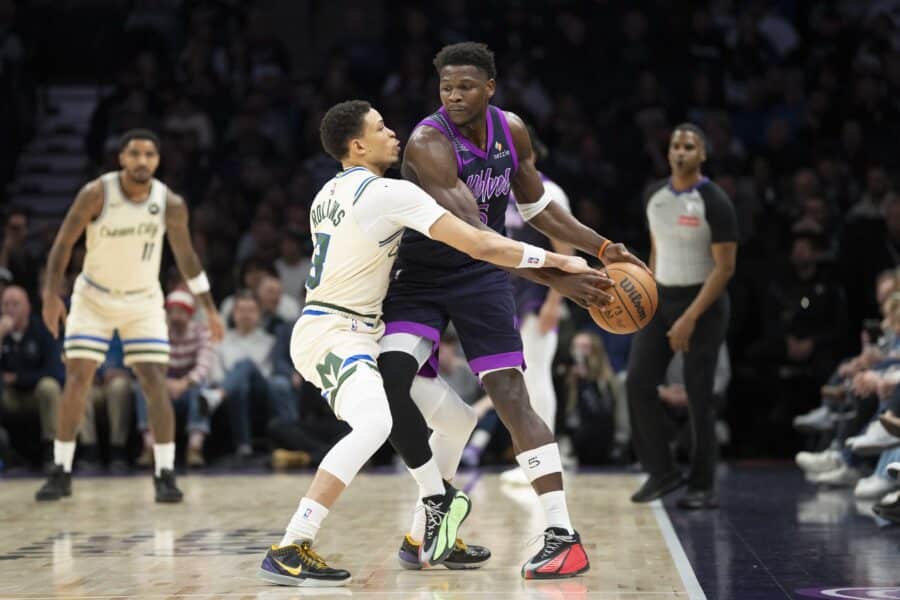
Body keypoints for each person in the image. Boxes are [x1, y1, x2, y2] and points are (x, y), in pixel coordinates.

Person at [257, 99, 590, 587]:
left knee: (459, 419)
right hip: (334, 332)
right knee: (375, 422)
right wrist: (559, 263)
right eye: (381, 128)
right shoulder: (387, 193)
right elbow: (479, 243)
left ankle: (422, 538)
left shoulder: (326, 193)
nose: (394, 134)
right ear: (357, 145)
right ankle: (293, 543)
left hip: (358, 329)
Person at [378, 42, 645, 579]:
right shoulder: (428, 144)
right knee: (394, 379)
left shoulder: (512, 131)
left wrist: (603, 247)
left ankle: (561, 535)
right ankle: (428, 519)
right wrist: (561, 276)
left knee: (511, 395)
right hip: (423, 277)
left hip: (480, 278)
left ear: (490, 88)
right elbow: (478, 238)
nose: (454, 96)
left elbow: (539, 208)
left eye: (465, 87)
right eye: (446, 87)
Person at [35, 128, 224, 503]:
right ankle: (61, 469)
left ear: (158, 160)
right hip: (93, 297)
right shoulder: (96, 193)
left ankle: (165, 472)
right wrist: (50, 295)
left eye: (150, 155)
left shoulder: (170, 202)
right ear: (121, 158)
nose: (142, 161)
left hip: (142, 300)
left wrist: (209, 308)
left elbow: (187, 258)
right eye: (135, 154)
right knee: (78, 377)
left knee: (154, 380)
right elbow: (63, 244)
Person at [625, 123, 738, 510]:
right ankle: (662, 471)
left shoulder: (715, 200)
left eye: (689, 146)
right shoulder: (654, 195)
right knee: (638, 381)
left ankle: (703, 485)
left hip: (704, 304)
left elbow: (725, 268)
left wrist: (689, 317)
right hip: (662, 299)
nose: (680, 152)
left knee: (699, 395)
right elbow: (657, 250)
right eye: (675, 145)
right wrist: (649, 297)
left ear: (702, 154)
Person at [499, 129, 575, 485]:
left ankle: (546, 461)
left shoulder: (550, 192)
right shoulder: (498, 189)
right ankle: (530, 460)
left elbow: (566, 250)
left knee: (537, 375)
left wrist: (554, 303)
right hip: (507, 293)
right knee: (517, 382)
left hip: (540, 294)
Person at [134, 289, 214, 468]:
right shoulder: (158, 331)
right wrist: (164, 383)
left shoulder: (201, 331)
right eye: (172, 312)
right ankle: (149, 447)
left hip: (189, 386)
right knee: (142, 385)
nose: (176, 317)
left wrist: (185, 383)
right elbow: (150, 363)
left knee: (202, 388)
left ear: (190, 314)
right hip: (164, 385)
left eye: (181, 312)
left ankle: (195, 448)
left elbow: (204, 365)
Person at [0, 285, 64, 470]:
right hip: (9, 396)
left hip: (36, 393)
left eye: (15, 304)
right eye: (6, 304)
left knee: (49, 386)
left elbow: (56, 372)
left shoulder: (43, 329)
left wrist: (18, 378)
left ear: (28, 307)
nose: (10, 309)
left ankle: (52, 451)